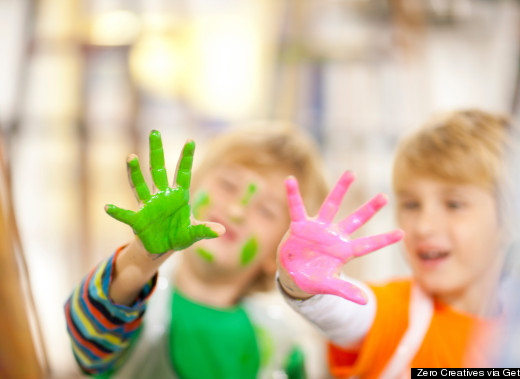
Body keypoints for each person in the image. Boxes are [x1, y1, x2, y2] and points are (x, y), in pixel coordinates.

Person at [64, 125, 329, 378]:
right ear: (193, 188)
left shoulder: (283, 348)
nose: (236, 211)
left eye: (266, 211)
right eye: (228, 185)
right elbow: (88, 337)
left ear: (282, 253)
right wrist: (143, 256)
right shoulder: (133, 306)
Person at [277, 110, 520, 378]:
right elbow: (346, 315)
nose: (424, 226)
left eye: (454, 204)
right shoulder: (396, 312)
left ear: (514, 218)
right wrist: (300, 280)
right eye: (411, 204)